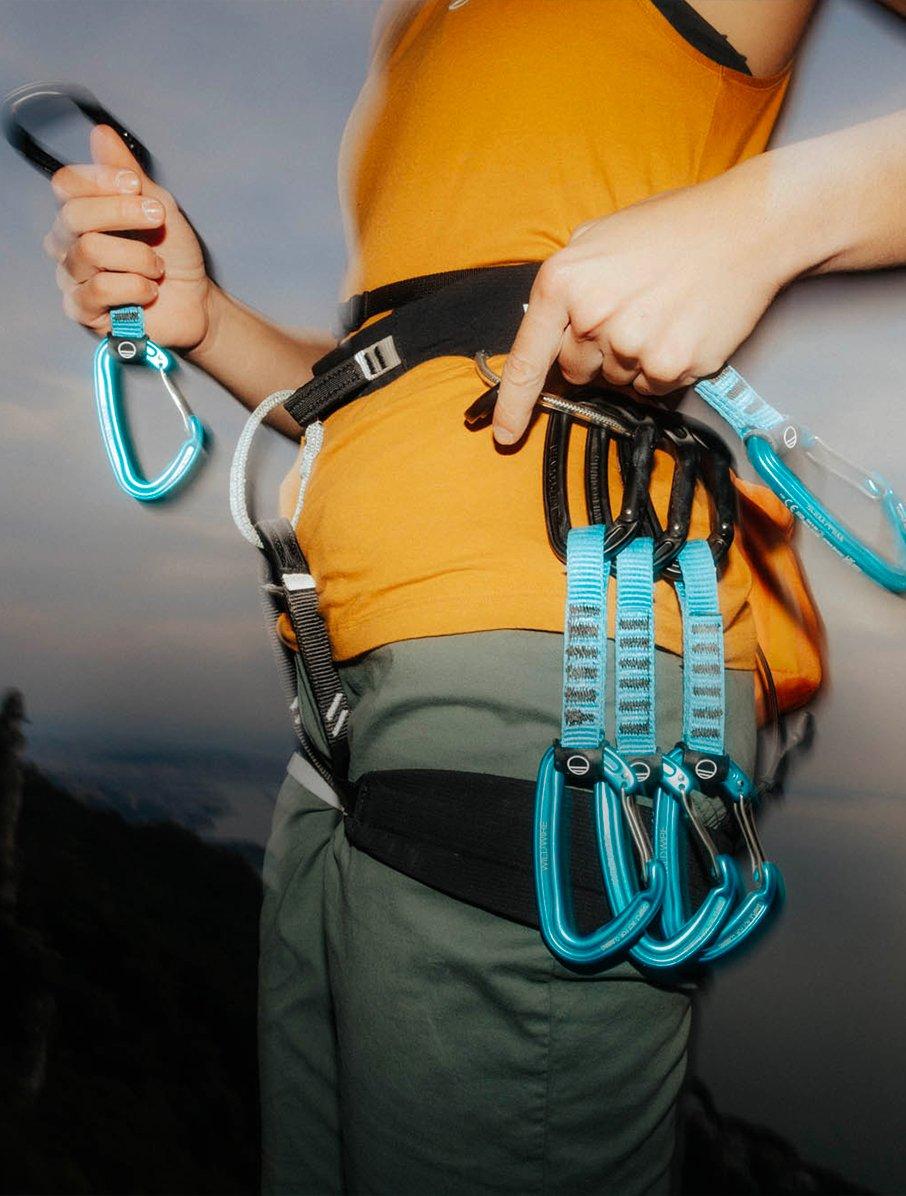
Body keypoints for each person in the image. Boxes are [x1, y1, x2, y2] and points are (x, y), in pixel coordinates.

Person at [40, 1, 906, 1191]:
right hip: (339, 707)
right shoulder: (409, 26)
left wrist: (771, 217)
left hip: (556, 673)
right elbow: (421, 376)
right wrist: (208, 322)